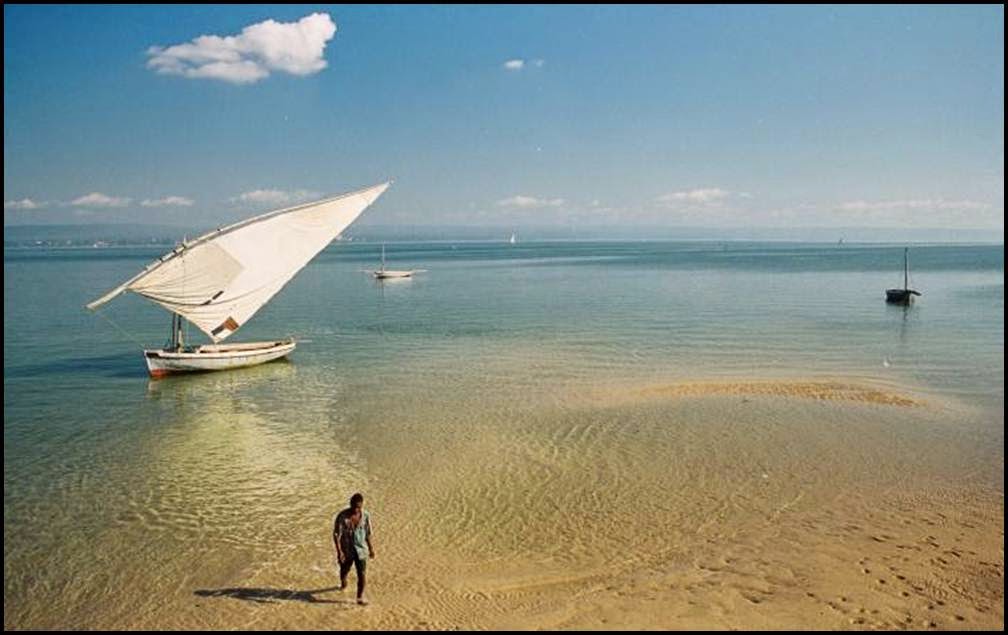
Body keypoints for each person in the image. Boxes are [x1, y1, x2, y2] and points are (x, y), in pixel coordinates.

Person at [333, 492, 374, 605]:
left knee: (362, 574)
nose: (356, 509)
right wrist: (339, 552)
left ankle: (359, 597)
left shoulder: (365, 516)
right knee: (344, 571)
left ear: (362, 506)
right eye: (354, 506)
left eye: (358, 507)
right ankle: (343, 583)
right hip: (347, 550)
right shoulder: (342, 516)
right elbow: (337, 535)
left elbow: (368, 533)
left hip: (361, 550)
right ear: (350, 504)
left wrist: (371, 549)